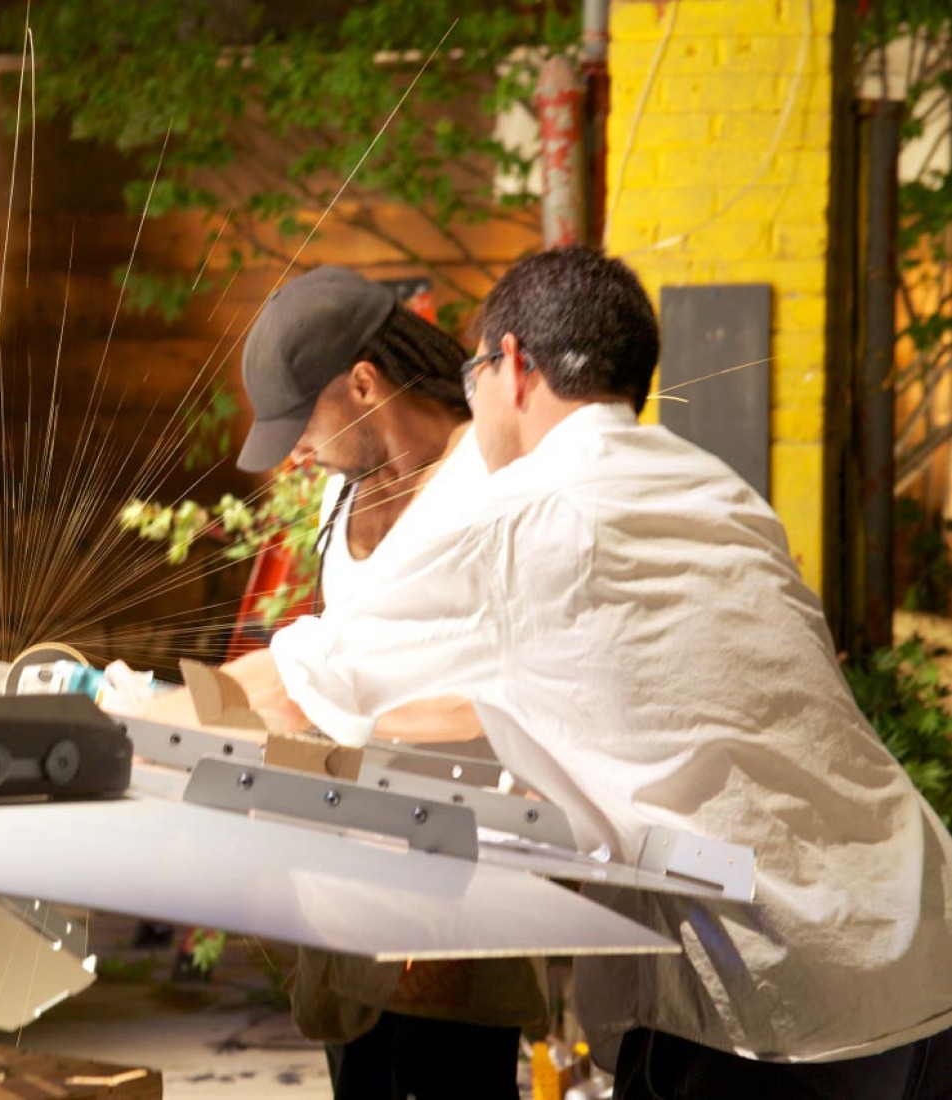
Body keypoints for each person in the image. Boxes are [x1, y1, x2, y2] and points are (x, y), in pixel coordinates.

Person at [274, 246, 952, 1098]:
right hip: (918, 932)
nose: (469, 395)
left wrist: (110, 701)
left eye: (475, 369)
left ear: (512, 364)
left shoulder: (515, 515)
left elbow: (307, 678)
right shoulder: (721, 490)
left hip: (764, 987)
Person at [140, 264, 545, 1100]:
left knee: (446, 1080)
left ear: (364, 382)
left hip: (457, 866)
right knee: (359, 1074)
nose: (295, 448)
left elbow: (495, 687)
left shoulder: (485, 484)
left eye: (304, 421)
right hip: (352, 862)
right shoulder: (340, 490)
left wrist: (156, 721)